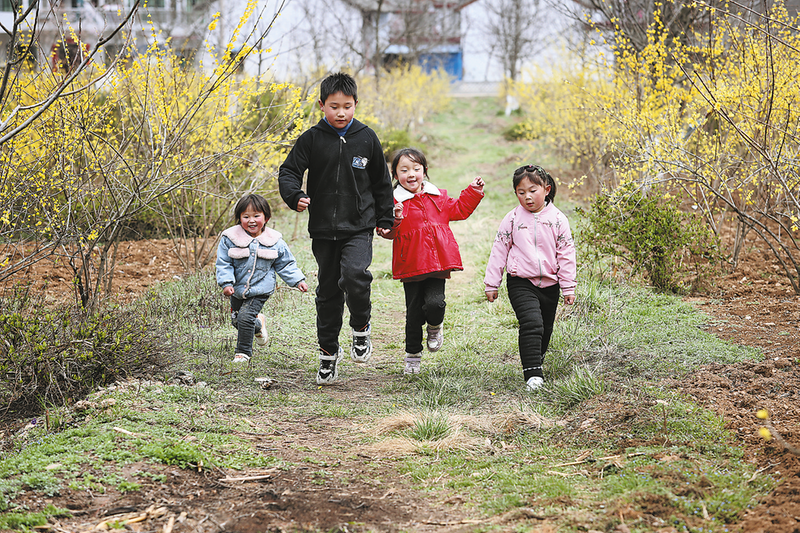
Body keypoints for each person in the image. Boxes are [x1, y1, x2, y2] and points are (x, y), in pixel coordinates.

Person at [278, 72, 394, 385]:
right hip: (323, 229)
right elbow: (289, 171)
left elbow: (382, 183)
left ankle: (361, 327)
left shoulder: (367, 137)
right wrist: (295, 195)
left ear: (356, 104)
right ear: (322, 105)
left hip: (359, 225)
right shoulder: (312, 138)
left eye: (347, 106)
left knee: (355, 275)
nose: (341, 113)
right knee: (328, 291)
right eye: (334, 106)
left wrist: (385, 219)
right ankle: (328, 353)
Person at [377, 148, 484, 375]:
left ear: (424, 171)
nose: (411, 174)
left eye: (416, 169)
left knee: (436, 303)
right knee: (413, 313)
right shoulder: (393, 202)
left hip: (437, 264)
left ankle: (435, 326)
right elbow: (387, 232)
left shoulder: (438, 197)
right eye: (404, 170)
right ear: (395, 175)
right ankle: (412, 355)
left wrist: (473, 192)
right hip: (411, 265)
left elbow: (460, 209)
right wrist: (395, 219)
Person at [484, 165, 577, 391]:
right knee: (531, 323)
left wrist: (568, 287)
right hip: (521, 281)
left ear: (546, 189)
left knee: (545, 328)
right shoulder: (513, 219)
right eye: (521, 192)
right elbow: (499, 250)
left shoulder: (558, 219)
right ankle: (533, 374)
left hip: (551, 283)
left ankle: (536, 358)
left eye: (533, 191)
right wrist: (492, 283)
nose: (527, 197)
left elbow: (566, 254)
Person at [216, 194, 309, 364]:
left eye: (256, 216)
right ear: (239, 218)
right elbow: (224, 263)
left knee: (245, 317)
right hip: (237, 288)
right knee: (237, 320)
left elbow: (286, 264)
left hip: (260, 288)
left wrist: (298, 281)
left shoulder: (274, 241)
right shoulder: (230, 239)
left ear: (266, 218)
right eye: (246, 216)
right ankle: (258, 325)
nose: (251, 220)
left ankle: (243, 352)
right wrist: (226, 283)